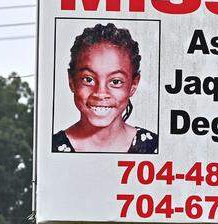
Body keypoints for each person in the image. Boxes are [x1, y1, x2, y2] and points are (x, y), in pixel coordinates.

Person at [52, 23, 158, 154]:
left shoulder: (153, 147)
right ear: (71, 81)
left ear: (133, 85)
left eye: (115, 81)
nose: (100, 93)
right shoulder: (51, 148)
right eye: (88, 79)